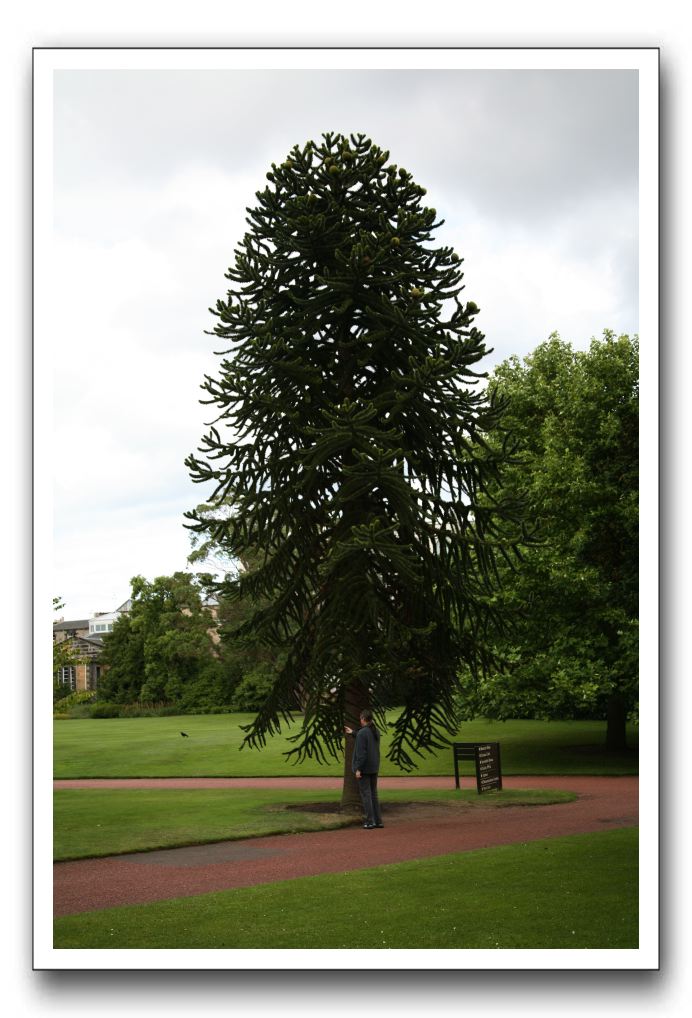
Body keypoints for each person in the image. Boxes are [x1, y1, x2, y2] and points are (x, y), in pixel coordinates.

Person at [344, 710, 383, 829]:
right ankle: (378, 821)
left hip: (364, 768)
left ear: (363, 719)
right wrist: (353, 732)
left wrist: (358, 769)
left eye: (361, 719)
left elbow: (361, 754)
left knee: (366, 795)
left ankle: (369, 821)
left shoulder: (362, 733)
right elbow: (367, 738)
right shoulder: (375, 731)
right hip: (374, 766)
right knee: (373, 794)